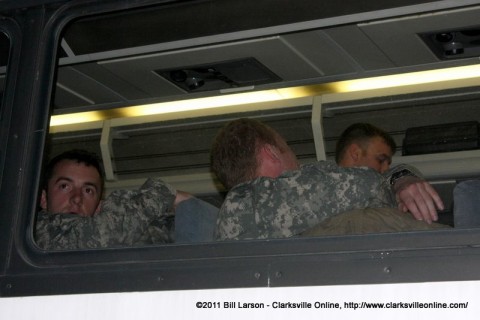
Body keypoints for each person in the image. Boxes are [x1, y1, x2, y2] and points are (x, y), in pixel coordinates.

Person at [210, 118, 448, 241]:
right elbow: (368, 183)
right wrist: (400, 177)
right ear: (271, 153)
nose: (298, 162)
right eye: (288, 149)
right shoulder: (256, 199)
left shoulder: (233, 216)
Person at [35, 149, 218, 249]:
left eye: (88, 190)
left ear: (99, 207)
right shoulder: (36, 235)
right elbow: (107, 232)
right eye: (65, 186)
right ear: (43, 199)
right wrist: (166, 194)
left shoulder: (113, 239)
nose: (76, 198)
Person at [335, 123, 444, 224]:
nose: (385, 169)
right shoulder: (320, 178)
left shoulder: (387, 194)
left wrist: (404, 180)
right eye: (381, 160)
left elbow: (396, 174)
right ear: (355, 153)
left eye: (388, 163)